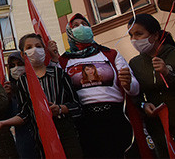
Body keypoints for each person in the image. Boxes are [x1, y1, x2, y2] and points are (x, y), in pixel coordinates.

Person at [0, 34, 83, 158]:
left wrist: (60, 108)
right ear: (23, 54)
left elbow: (77, 106)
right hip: (42, 137)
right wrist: (3, 123)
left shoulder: (59, 74)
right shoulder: (23, 81)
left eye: (38, 46)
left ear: (44, 50)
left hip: (66, 134)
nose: (34, 50)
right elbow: (24, 113)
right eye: (29, 47)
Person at [59, 13, 139, 159]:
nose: (81, 27)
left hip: (116, 118)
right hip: (85, 122)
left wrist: (128, 84)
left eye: (84, 24)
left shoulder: (110, 54)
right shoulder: (64, 61)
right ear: (69, 32)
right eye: (75, 25)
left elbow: (135, 89)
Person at [127, 14, 175, 155]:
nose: (134, 40)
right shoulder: (135, 64)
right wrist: (143, 105)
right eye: (131, 35)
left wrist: (169, 74)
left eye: (139, 34)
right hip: (160, 132)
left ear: (155, 35)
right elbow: (136, 97)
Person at [4, 52, 37, 159]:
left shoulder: (38, 84)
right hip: (24, 142)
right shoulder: (11, 91)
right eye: (12, 66)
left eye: (20, 64)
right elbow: (10, 115)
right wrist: (7, 98)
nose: (16, 68)